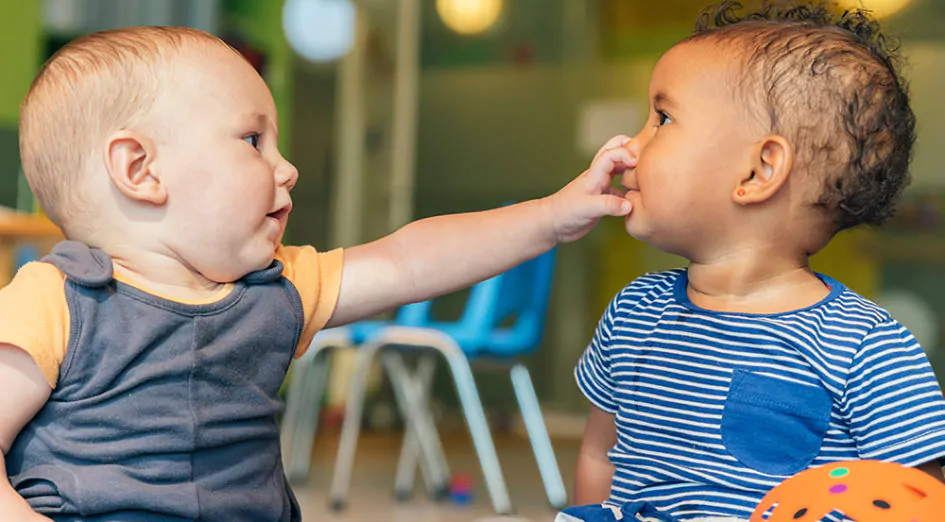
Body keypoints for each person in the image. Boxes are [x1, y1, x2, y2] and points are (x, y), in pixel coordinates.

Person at [0, 26, 637, 521]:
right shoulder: (57, 301)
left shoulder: (278, 289)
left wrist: (551, 216)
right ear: (140, 170)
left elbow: (409, 260)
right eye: (253, 141)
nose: (288, 168)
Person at [561, 0, 945, 522]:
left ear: (758, 172)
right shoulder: (634, 313)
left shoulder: (864, 346)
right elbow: (599, 453)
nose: (628, 145)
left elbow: (917, 500)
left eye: (662, 118)